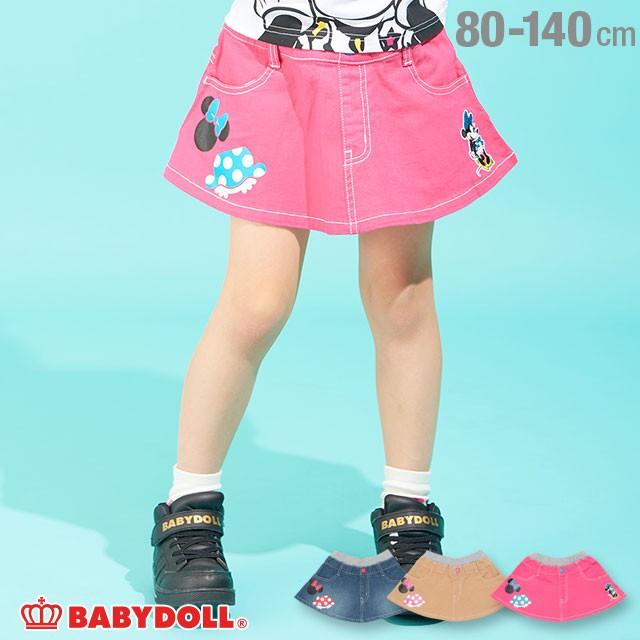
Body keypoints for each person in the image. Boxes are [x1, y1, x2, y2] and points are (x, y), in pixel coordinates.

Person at [151, 0, 517, 607]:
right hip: (272, 65)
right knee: (257, 302)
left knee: (402, 296)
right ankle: (188, 507)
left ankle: (409, 510)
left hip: (401, 61)